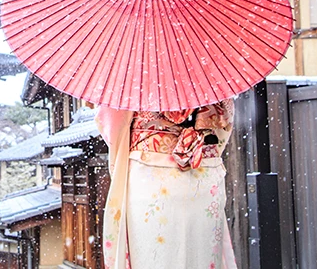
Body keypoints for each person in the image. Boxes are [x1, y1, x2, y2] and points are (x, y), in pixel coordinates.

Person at [95, 99, 238, 269]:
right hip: (202, 170)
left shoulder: (132, 77)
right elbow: (223, 126)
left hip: (149, 174)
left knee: (152, 257)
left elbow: (112, 121)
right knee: (201, 256)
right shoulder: (211, 75)